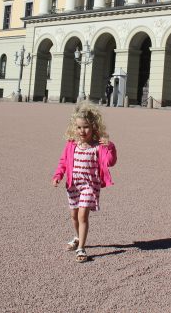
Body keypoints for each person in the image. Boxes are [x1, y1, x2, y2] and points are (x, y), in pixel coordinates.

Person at [52, 101, 118, 262]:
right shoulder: (71, 145)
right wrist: (58, 175)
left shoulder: (98, 146)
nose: (82, 131)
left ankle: (81, 248)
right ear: (74, 128)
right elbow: (63, 162)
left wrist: (110, 146)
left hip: (90, 185)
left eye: (86, 127)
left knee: (82, 215)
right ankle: (77, 237)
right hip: (73, 185)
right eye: (79, 127)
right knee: (74, 216)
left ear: (94, 127)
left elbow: (110, 161)